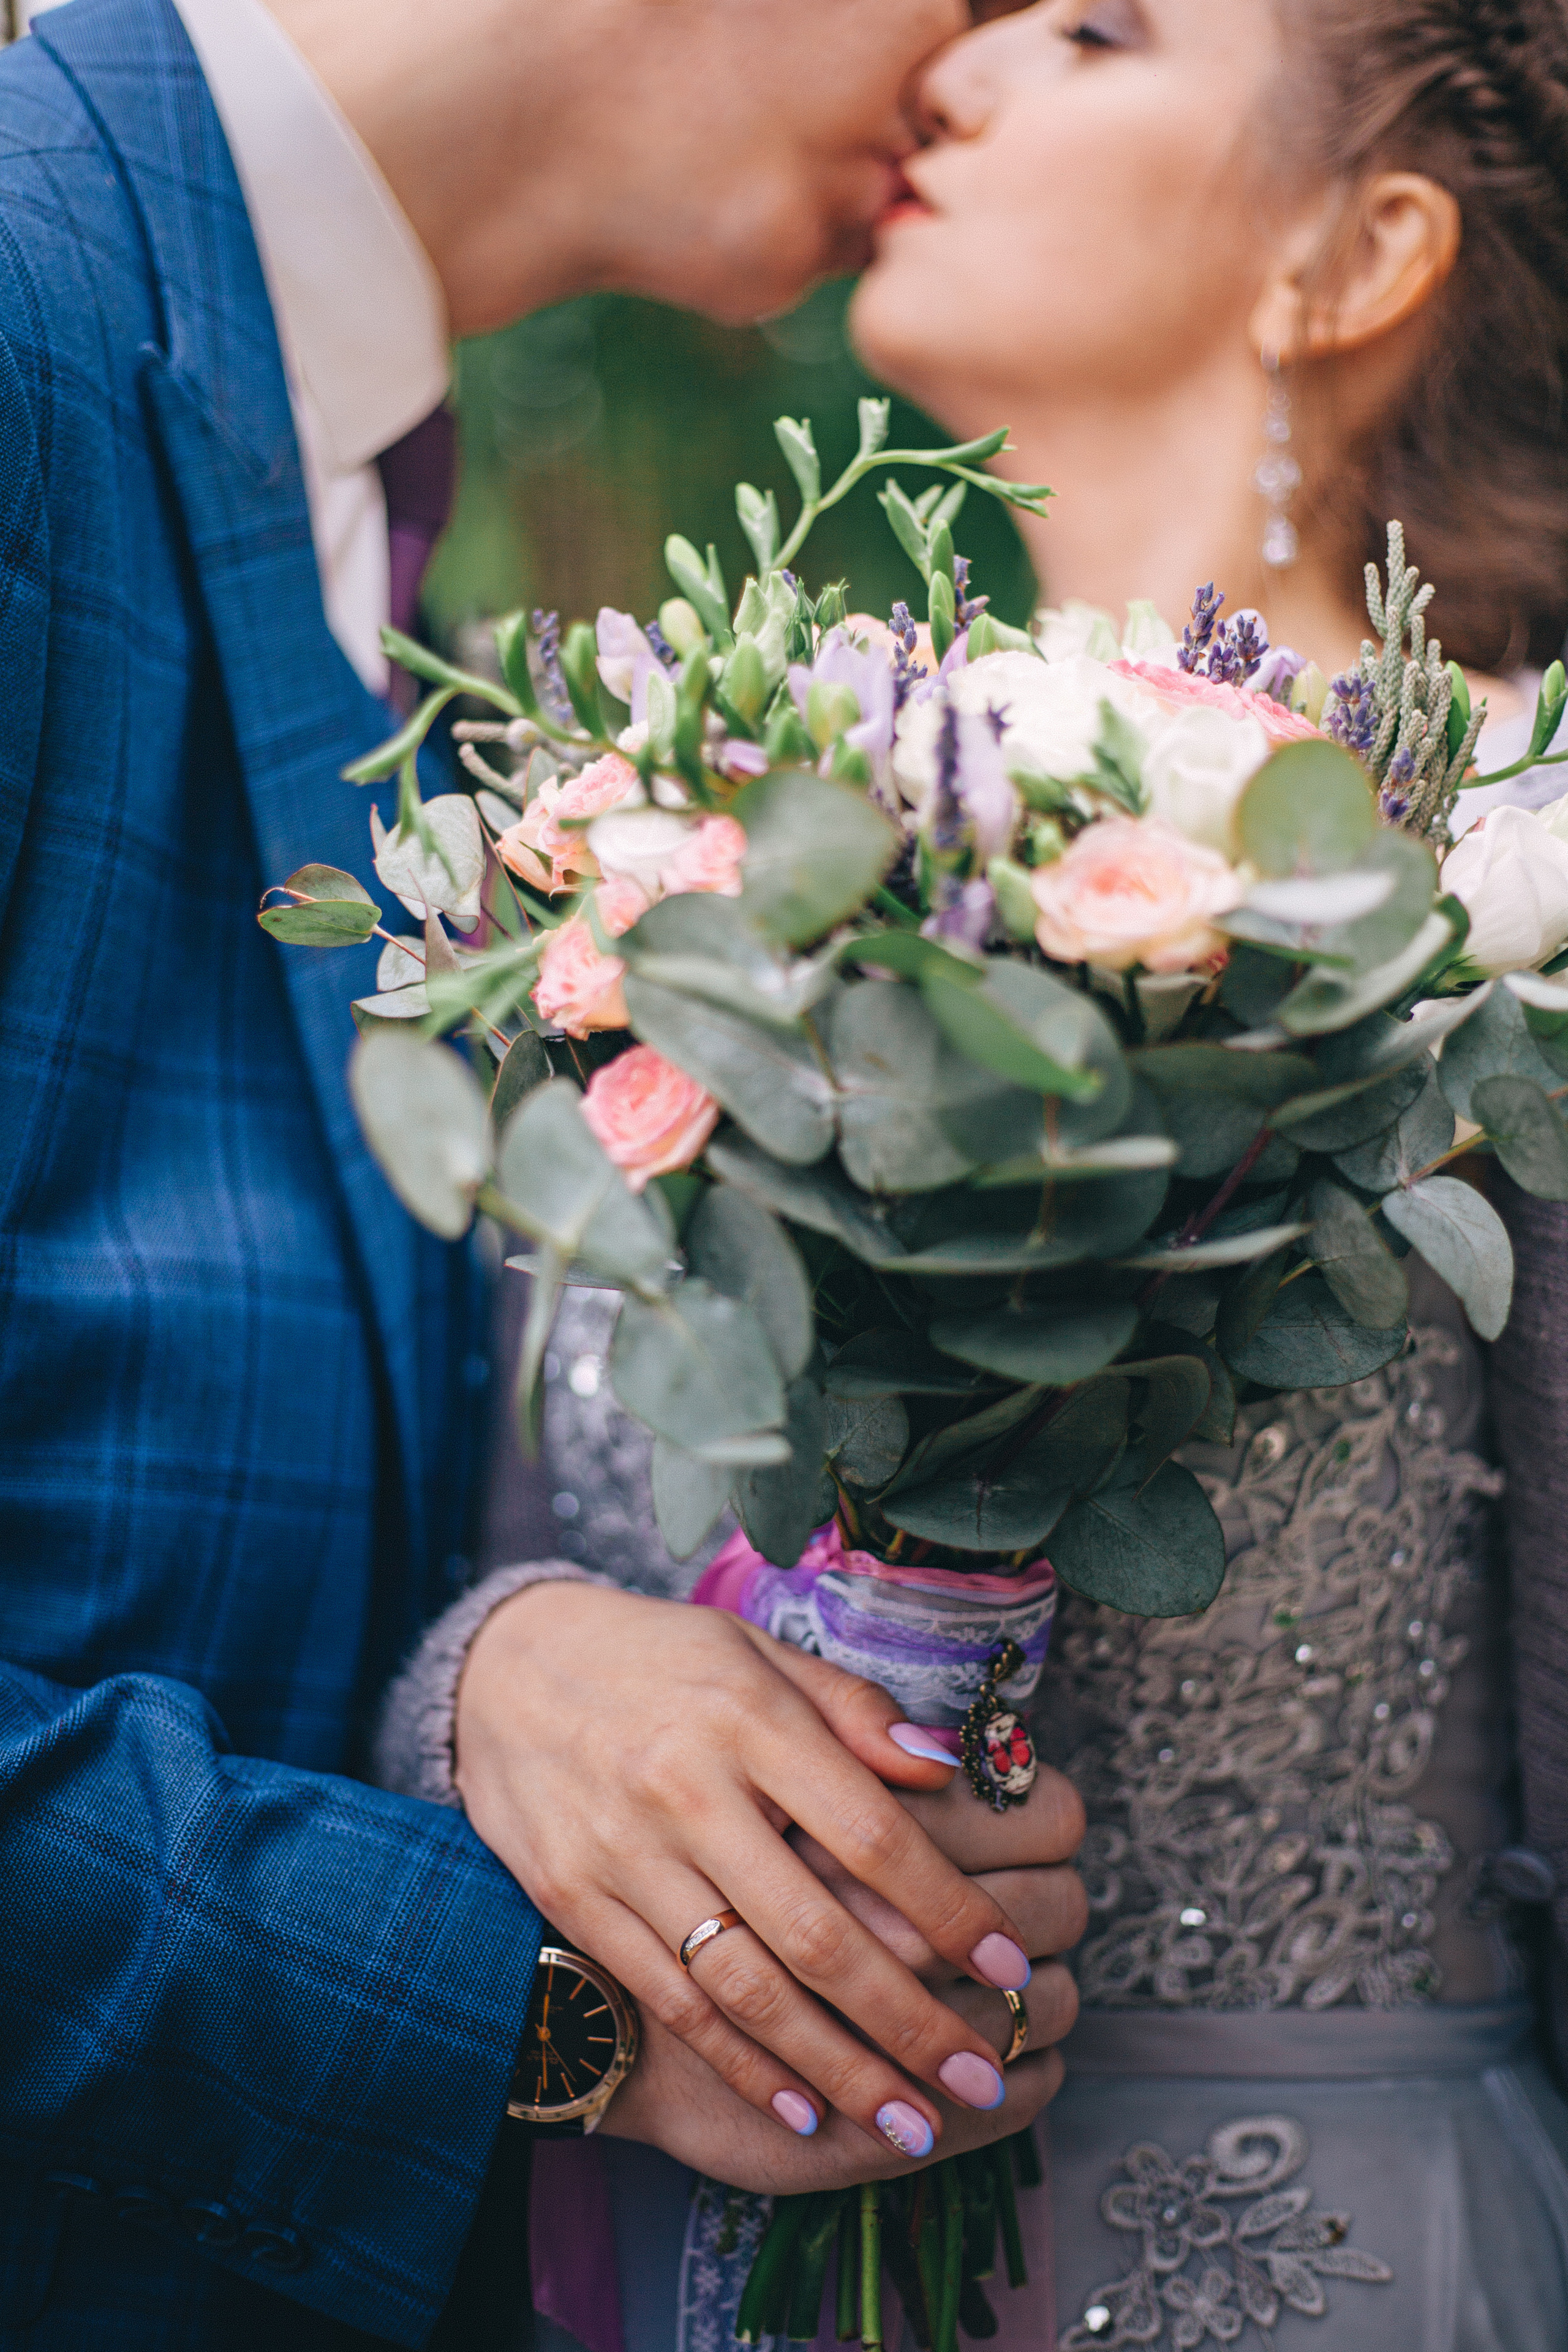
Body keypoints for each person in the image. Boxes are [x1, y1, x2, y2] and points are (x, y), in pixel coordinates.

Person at [0, 2, 1090, 2345]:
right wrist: (540, 2011)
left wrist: (498, 1679)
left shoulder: (363, 487)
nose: (998, 58)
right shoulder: (17, 297)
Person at [844, 2, 1568, 2343]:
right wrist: (494, 1692)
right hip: (701, 2205)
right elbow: (490, 1546)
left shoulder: (1520, 903)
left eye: (1093, 29)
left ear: (1354, 255)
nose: (948, 80)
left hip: (1316, 2252)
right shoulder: (710, 827)